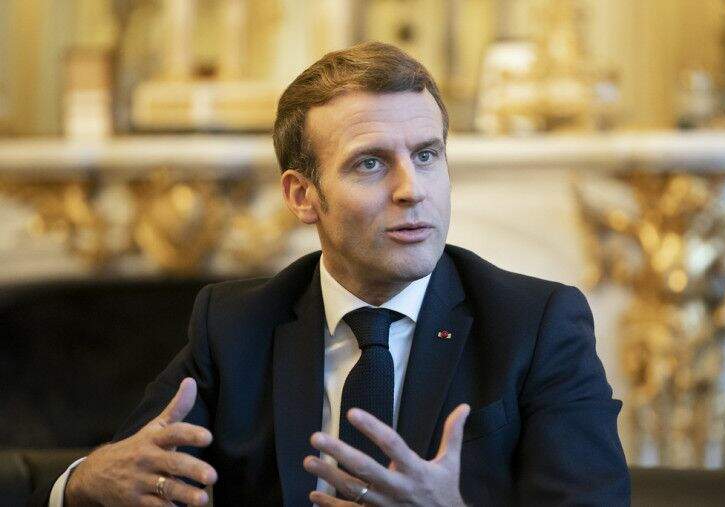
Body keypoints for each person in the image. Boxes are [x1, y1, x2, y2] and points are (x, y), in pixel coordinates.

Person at [37, 41, 629, 506]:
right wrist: (83, 480)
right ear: (302, 196)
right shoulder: (236, 325)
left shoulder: (535, 325)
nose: (412, 190)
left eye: (427, 155)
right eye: (370, 164)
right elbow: (133, 470)